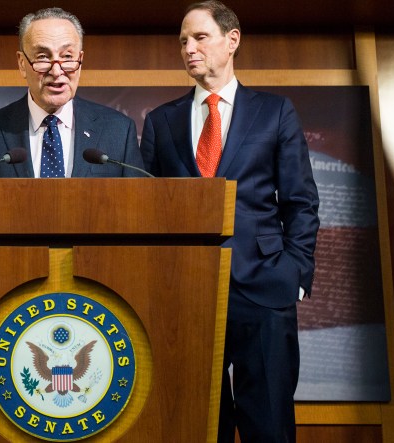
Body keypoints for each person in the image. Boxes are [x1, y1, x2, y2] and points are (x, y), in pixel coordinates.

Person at [140, 2, 320, 442]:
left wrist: (295, 275)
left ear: (232, 40)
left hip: (264, 288)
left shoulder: (275, 111)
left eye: (200, 38)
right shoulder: (161, 121)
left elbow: (300, 201)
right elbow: (147, 208)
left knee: (269, 426)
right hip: (187, 292)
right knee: (197, 425)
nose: (189, 49)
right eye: (183, 41)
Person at [0, 7, 145, 178]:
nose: (56, 71)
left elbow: (136, 200)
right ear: (22, 63)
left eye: (67, 57)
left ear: (80, 60)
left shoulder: (118, 131)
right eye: (43, 57)